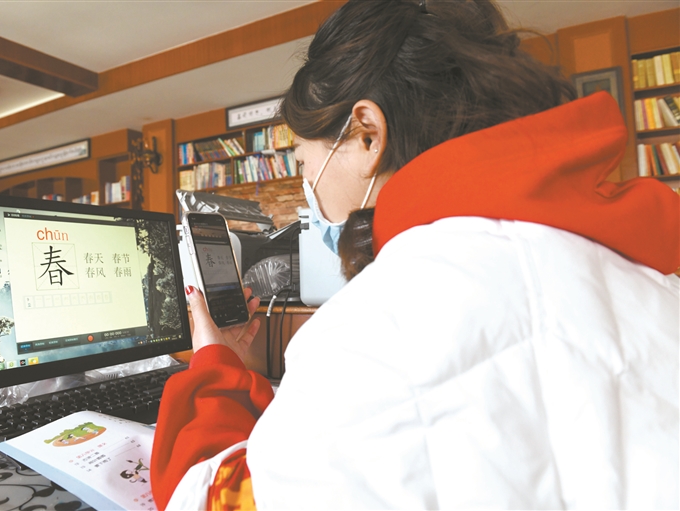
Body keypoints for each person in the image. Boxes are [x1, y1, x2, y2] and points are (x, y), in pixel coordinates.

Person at [151, 0, 679, 509]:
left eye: (303, 159)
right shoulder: (649, 278)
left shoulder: (367, 331)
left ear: (367, 135)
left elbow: (214, 499)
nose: (307, 181)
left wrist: (214, 365)